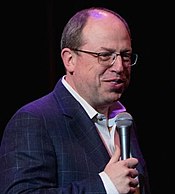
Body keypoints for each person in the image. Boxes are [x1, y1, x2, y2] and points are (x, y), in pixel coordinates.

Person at [0, 7, 151, 194]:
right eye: (105, 56)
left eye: (125, 55)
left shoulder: (124, 121)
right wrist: (105, 186)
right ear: (70, 59)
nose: (119, 66)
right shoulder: (35, 120)